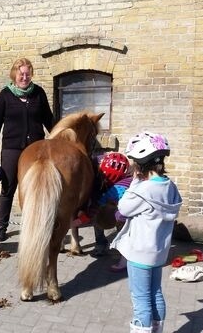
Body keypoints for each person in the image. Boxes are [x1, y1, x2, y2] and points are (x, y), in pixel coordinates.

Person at [110, 132, 182, 333]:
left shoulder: (143, 189)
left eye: (134, 161)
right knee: (156, 293)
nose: (132, 165)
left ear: (142, 162)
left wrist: (135, 181)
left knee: (140, 298)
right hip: (159, 252)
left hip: (140, 253)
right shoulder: (169, 186)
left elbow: (123, 208)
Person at [0, 58, 54, 242]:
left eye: (27, 73)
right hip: (12, 149)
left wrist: (60, 136)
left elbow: (49, 119)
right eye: (21, 73)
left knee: (36, 189)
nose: (24, 77)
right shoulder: (5, 95)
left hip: (36, 149)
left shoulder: (38, 93)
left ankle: (37, 225)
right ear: (14, 74)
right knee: (8, 188)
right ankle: (1, 227)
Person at [72, 152, 133, 270]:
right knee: (121, 224)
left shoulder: (125, 195)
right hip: (111, 194)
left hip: (121, 198)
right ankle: (105, 244)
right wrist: (73, 224)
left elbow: (91, 214)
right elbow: (92, 213)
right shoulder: (96, 165)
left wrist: (73, 223)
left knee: (124, 225)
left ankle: (123, 250)